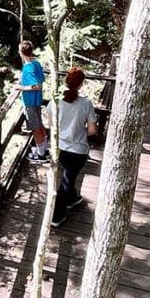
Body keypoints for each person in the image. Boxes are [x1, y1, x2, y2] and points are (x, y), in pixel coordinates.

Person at [46, 67, 97, 227]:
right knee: (67, 181)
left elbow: (51, 124)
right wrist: (78, 131)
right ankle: (56, 215)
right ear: (81, 85)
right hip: (77, 150)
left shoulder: (55, 100)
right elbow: (92, 130)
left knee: (69, 176)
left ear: (65, 81)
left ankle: (73, 199)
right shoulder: (86, 104)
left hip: (58, 148)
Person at [14, 40, 49, 162]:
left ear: (21, 52)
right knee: (40, 125)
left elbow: (37, 85)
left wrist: (21, 87)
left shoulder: (29, 67)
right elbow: (41, 79)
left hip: (30, 102)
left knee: (35, 128)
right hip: (37, 100)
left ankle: (41, 155)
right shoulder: (36, 63)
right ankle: (45, 149)